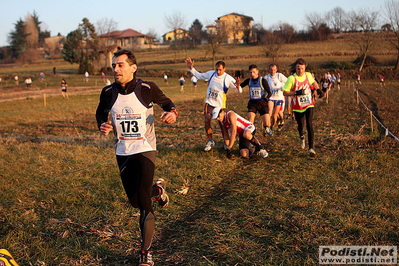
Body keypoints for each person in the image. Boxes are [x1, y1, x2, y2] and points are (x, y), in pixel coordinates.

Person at [96, 49, 177, 266]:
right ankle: (157, 191)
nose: (116, 69)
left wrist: (172, 113)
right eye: (114, 65)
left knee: (143, 203)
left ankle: (145, 253)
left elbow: (169, 104)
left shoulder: (146, 88)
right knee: (135, 201)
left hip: (145, 148)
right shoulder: (108, 92)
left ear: (133, 67)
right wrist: (102, 125)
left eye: (120, 65)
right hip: (122, 151)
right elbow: (100, 113)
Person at [185, 57, 242, 152]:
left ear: (224, 69)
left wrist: (238, 87)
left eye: (220, 69)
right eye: (217, 69)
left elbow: (238, 90)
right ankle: (210, 140)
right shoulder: (211, 74)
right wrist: (191, 68)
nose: (218, 71)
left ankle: (226, 143)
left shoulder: (228, 78)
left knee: (221, 124)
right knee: (207, 120)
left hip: (220, 105)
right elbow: (199, 76)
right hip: (209, 102)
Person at [282, 58, 319, 158]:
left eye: (302, 69)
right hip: (298, 107)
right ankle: (301, 136)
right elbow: (284, 92)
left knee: (309, 124)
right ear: (295, 68)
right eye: (298, 69)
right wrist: (295, 93)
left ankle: (311, 149)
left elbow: (314, 83)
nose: (300, 71)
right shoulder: (291, 78)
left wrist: (318, 90)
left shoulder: (308, 75)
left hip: (309, 104)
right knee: (300, 126)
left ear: (305, 68)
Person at [239, 64, 272, 136]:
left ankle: (266, 128)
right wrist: (236, 82)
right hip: (252, 103)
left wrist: (266, 99)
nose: (252, 74)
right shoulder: (248, 80)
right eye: (250, 72)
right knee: (250, 121)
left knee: (267, 124)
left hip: (262, 103)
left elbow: (269, 93)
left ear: (257, 71)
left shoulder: (263, 81)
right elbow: (240, 86)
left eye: (254, 72)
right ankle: (251, 136)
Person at [265, 64, 288, 133]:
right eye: (271, 70)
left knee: (275, 115)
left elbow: (288, 81)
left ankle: (272, 126)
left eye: (274, 70)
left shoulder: (279, 76)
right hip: (271, 98)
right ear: (269, 70)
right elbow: (262, 85)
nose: (272, 71)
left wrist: (284, 88)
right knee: (269, 112)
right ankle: (267, 127)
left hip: (279, 98)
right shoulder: (267, 78)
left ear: (276, 70)